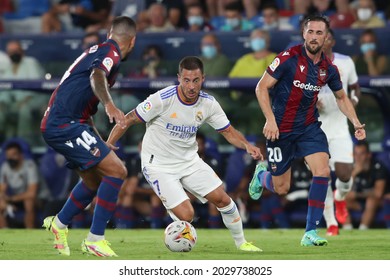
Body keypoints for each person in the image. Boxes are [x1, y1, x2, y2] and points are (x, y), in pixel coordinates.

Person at [107, 56, 263, 252]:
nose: (191, 86)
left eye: (196, 80)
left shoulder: (208, 104)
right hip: (158, 165)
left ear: (203, 79)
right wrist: (109, 145)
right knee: (187, 214)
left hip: (189, 161)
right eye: (187, 80)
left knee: (223, 199)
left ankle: (242, 243)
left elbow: (228, 131)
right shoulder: (162, 99)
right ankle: (177, 227)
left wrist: (247, 145)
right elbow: (128, 119)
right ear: (179, 78)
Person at [248, 14, 366, 246]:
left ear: (326, 37)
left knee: (322, 172)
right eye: (310, 32)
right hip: (280, 130)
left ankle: (310, 232)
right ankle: (262, 175)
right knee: (281, 188)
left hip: (309, 127)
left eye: (319, 33)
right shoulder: (287, 58)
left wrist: (356, 122)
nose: (313, 37)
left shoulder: (328, 69)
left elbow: (341, 97)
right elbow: (261, 88)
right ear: (303, 33)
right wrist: (270, 120)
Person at [40, 16, 137, 257]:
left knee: (93, 181)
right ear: (132, 41)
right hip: (64, 125)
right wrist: (110, 105)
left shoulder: (99, 50)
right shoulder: (110, 52)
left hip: (68, 123)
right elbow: (96, 75)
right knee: (118, 171)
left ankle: (59, 224)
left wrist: (99, 140)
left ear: (109, 32)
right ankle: (95, 239)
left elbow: (85, 109)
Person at [317, 29, 361, 236]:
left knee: (344, 174)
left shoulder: (345, 62)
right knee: (321, 175)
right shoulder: (306, 65)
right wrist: (309, 103)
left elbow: (355, 87)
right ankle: (331, 223)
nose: (323, 41)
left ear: (332, 41)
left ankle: (340, 198)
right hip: (315, 128)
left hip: (340, 126)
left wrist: (353, 102)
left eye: (326, 38)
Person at [0, 40, 47, 146]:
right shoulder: (8, 67)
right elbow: (6, 90)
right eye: (11, 51)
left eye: (16, 50)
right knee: (1, 109)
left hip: (36, 99)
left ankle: (24, 143)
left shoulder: (30, 62)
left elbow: (35, 87)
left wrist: (24, 101)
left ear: (22, 51)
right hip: (16, 102)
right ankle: (6, 144)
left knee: (23, 110)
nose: (14, 53)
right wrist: (2, 102)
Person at [344, 140, 387, 229]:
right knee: (341, 200)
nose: (358, 157)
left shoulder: (378, 167)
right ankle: (347, 229)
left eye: (362, 154)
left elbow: (378, 194)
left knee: (371, 200)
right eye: (356, 154)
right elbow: (344, 191)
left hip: (378, 202)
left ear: (368, 155)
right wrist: (354, 173)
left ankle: (363, 229)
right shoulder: (351, 167)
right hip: (358, 203)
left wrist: (356, 194)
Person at [0, 141, 39, 229]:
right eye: (8, 155)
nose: (10, 158)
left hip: (37, 199)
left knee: (29, 201)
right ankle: (5, 232)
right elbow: (2, 189)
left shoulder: (30, 165)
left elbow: (32, 193)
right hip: (15, 198)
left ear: (21, 155)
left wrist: (11, 199)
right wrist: (3, 200)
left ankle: (30, 232)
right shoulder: (5, 167)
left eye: (14, 155)